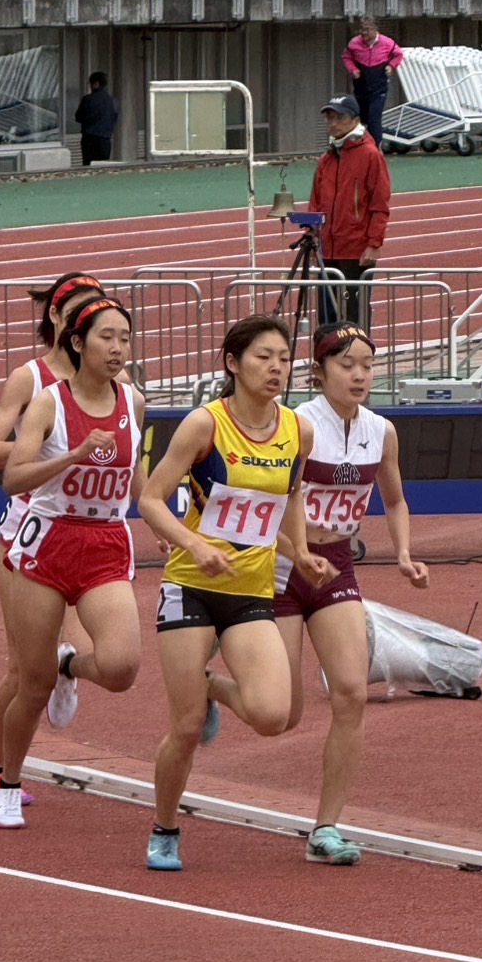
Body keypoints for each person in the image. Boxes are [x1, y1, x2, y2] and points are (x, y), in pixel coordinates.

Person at [136, 314, 332, 872]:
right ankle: (165, 825)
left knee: (274, 715)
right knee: (185, 728)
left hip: (251, 588)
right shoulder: (205, 424)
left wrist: (300, 550)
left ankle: (212, 685)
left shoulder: (299, 429)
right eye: (263, 357)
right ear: (232, 363)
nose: (275, 368)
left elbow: (288, 496)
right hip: (192, 585)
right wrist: (193, 546)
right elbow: (151, 499)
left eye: (282, 358)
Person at [269, 321, 428, 865]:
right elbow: (276, 499)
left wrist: (403, 553)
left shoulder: (381, 431)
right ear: (320, 372)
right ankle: (215, 686)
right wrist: (296, 551)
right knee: (283, 714)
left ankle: (325, 828)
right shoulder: (297, 426)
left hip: (335, 565)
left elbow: (395, 499)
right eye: (346, 364)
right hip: (284, 565)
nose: (359, 374)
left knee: (352, 694)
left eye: (367, 364)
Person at [0, 297, 145, 830]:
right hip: (49, 540)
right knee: (30, 685)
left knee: (123, 667)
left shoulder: (134, 401)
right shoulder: (49, 404)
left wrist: (175, 532)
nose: (119, 348)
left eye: (125, 337)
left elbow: (137, 482)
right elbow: (12, 479)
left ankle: (70, 667)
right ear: (78, 344)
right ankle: (8, 782)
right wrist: (74, 456)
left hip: (105, 541)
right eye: (107, 336)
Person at [0, 271, 105, 806]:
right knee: (23, 666)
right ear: (58, 319)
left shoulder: (110, 383)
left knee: (91, 650)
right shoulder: (30, 379)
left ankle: (68, 670)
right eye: (79, 309)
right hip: (25, 532)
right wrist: (48, 444)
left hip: (84, 532)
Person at [308, 94, 391, 328]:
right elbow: (316, 202)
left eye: (339, 117)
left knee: (354, 310)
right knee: (327, 312)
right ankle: (328, 358)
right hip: (328, 247)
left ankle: (358, 358)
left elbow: (379, 204)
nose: (333, 123)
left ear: (355, 120)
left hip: (356, 248)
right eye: (329, 118)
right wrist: (313, 238)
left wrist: (374, 243)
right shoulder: (327, 158)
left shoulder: (370, 155)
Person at [341, 17, 403, 151]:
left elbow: (398, 54)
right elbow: (346, 57)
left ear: (375, 30)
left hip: (379, 87)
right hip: (361, 86)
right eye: (362, 30)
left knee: (374, 117)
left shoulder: (387, 43)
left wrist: (391, 66)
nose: (364, 34)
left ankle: (376, 148)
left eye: (367, 30)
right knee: (362, 118)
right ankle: (359, 146)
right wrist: (353, 69)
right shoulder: (354, 44)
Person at [74, 70, 118, 165]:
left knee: (88, 166)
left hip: (89, 139)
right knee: (102, 166)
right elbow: (114, 118)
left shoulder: (88, 99)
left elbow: (78, 117)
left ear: (96, 84)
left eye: (90, 84)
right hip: (106, 139)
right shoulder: (112, 101)